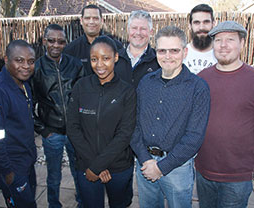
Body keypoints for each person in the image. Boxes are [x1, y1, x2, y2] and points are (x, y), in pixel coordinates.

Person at [131, 26, 210, 208]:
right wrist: (145, 159)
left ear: (185, 52)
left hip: (177, 168)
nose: (167, 56)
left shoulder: (198, 88)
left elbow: (194, 137)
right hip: (145, 163)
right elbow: (133, 124)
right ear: (155, 52)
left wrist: (161, 167)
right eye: (162, 50)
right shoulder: (145, 83)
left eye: (174, 50)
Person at [66, 35, 136, 208]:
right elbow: (73, 128)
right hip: (87, 166)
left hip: (118, 167)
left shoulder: (127, 92)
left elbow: (125, 134)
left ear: (116, 58)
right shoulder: (80, 87)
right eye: (94, 59)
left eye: (106, 58)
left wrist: (98, 165)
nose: (100, 65)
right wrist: (94, 165)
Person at [195, 21, 254, 208]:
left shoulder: (252, 79)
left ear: (242, 43)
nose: (223, 45)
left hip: (238, 176)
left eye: (230, 39)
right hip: (204, 170)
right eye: (218, 40)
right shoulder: (202, 79)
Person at [31, 24, 84, 208]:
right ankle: (54, 204)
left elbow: (84, 97)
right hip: (52, 132)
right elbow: (28, 104)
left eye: (60, 41)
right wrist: (43, 130)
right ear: (45, 41)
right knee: (53, 174)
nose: (56, 45)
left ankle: (82, 201)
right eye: (51, 40)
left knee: (78, 171)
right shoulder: (36, 68)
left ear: (65, 43)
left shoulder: (76, 65)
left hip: (75, 132)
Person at [0, 40, 36, 207]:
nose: (26, 66)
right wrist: (7, 171)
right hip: (11, 166)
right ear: (6, 59)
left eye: (31, 61)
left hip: (26, 160)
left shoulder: (23, 83)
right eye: (19, 60)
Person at [64, 4, 123, 75]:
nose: (91, 22)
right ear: (81, 21)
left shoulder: (116, 47)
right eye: (87, 18)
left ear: (102, 21)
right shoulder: (71, 50)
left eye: (95, 18)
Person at [115, 10, 160, 88]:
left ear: (151, 32)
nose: (138, 33)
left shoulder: (158, 61)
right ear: (128, 30)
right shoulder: (115, 59)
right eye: (134, 28)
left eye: (143, 29)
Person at [183, 4, 217, 74]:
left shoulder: (221, 55)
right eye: (197, 23)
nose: (201, 27)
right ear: (190, 26)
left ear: (213, 24)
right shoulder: (181, 54)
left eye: (206, 22)